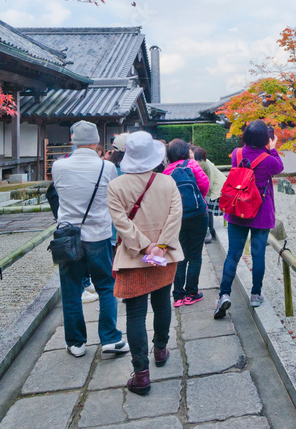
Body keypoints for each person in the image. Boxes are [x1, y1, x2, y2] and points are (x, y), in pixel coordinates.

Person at [107, 132, 184, 396]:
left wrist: (144, 246)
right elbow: (176, 216)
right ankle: (160, 350)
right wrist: (160, 246)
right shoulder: (167, 182)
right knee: (163, 302)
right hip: (164, 256)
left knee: (135, 314)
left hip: (133, 258)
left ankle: (141, 373)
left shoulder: (116, 186)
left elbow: (121, 224)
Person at [51, 120, 127, 357]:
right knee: (106, 285)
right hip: (99, 234)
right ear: (96, 142)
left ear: (73, 139)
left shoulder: (58, 166)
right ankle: (110, 338)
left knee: (72, 288)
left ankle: (76, 342)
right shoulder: (108, 168)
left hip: (68, 236)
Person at [215, 120, 284, 319]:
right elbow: (279, 168)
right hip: (260, 213)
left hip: (237, 210)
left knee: (233, 254)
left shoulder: (237, 154)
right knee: (258, 255)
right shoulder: (268, 159)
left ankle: (224, 294)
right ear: (265, 138)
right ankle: (255, 294)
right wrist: (272, 148)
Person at [162, 139, 210, 307]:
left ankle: (178, 296)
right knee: (195, 255)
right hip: (198, 214)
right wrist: (199, 200)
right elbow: (205, 184)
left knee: (179, 255)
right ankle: (191, 293)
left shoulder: (166, 172)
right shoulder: (191, 164)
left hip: (177, 218)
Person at [193, 145, 226, 244]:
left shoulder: (203, 164)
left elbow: (209, 181)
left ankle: (209, 232)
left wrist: (204, 193)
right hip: (217, 186)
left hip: (217, 187)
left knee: (209, 210)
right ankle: (210, 230)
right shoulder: (204, 162)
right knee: (209, 211)